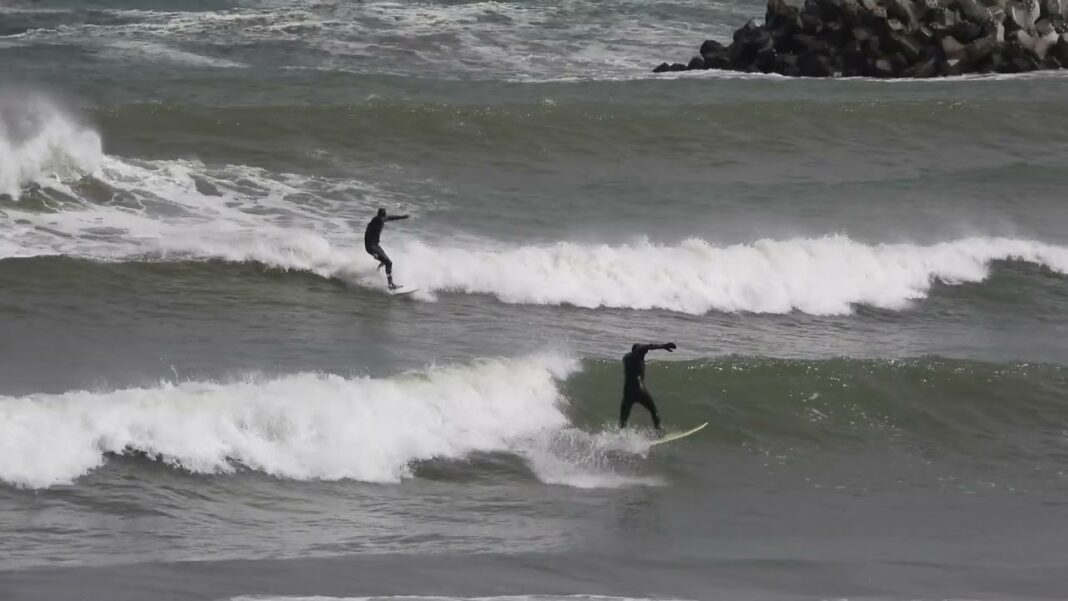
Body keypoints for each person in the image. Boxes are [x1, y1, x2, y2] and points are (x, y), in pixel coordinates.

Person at [619, 342, 677, 432]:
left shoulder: (626, 358)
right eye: (644, 352)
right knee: (653, 409)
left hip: (627, 391)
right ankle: (658, 430)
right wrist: (662, 346)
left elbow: (642, 349)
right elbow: (645, 347)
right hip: (638, 389)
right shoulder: (638, 355)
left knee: (623, 418)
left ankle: (620, 435)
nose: (646, 353)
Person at [364, 208, 409, 289]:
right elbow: (366, 237)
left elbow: (391, 218)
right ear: (378, 216)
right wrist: (373, 252)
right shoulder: (375, 221)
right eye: (381, 217)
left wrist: (402, 217)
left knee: (386, 262)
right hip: (371, 246)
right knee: (389, 262)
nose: (382, 220)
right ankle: (390, 284)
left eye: (383, 217)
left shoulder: (381, 219)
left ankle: (377, 274)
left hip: (376, 246)